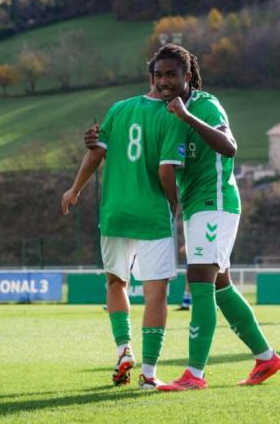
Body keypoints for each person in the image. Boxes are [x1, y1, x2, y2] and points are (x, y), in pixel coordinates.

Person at [85, 44, 280, 391]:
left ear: (188, 76)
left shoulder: (204, 104)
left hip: (215, 201)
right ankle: (266, 357)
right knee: (221, 287)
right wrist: (98, 142)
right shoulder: (161, 112)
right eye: (159, 75)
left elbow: (230, 146)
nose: (164, 82)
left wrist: (187, 117)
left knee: (200, 279)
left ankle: (195, 374)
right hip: (193, 205)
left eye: (172, 75)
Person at [61, 72, 187, 390]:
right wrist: (176, 207)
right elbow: (166, 170)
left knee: (116, 281)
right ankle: (148, 374)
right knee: (155, 292)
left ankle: (123, 348)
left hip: (115, 211)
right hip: (152, 215)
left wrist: (75, 189)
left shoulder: (118, 109)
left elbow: (95, 153)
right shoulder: (174, 115)